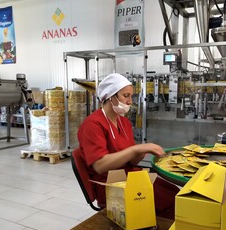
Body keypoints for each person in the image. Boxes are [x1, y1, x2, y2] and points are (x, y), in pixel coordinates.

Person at [77, 73, 179, 219]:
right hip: (109, 184)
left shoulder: (123, 123)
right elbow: (99, 165)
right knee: (169, 202)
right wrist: (136, 149)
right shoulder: (92, 125)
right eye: (126, 96)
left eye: (131, 96)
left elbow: (132, 162)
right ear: (110, 96)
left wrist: (142, 152)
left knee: (172, 191)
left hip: (129, 175)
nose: (130, 101)